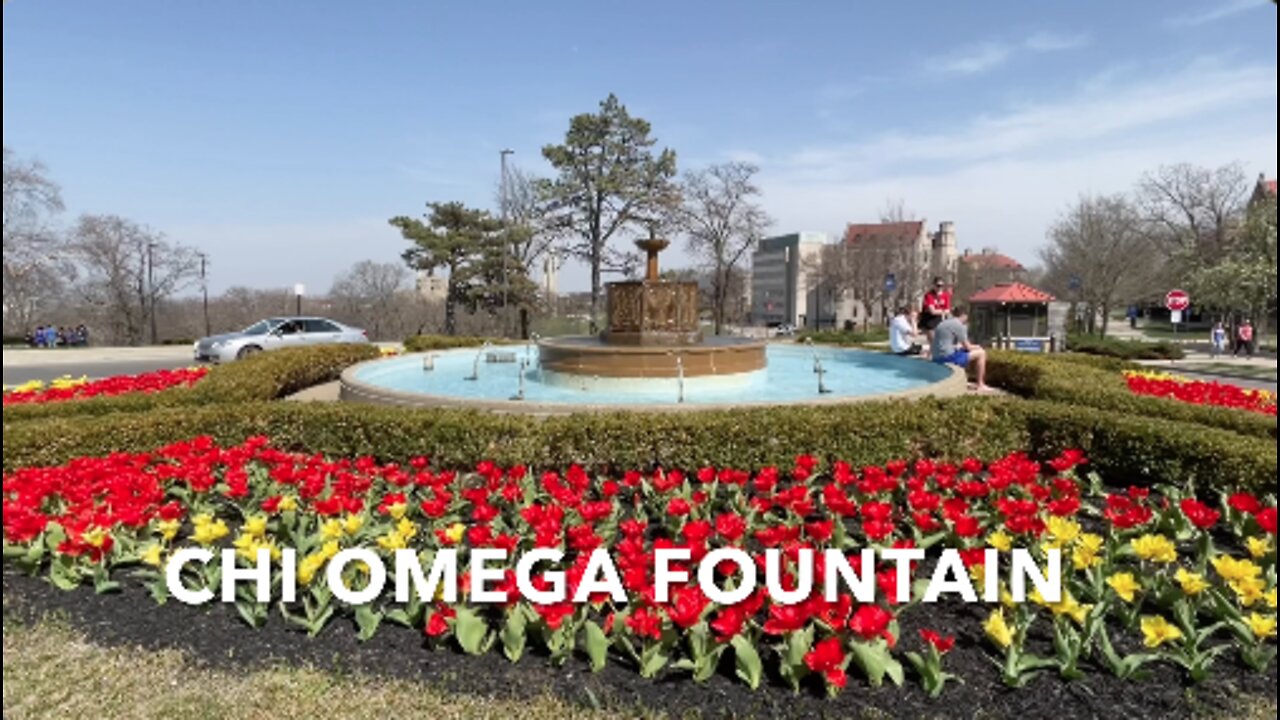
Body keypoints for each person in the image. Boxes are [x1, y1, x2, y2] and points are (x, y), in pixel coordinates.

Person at [930, 306, 990, 391]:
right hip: (947, 358)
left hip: (936, 357)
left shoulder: (942, 323)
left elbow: (942, 343)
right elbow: (968, 347)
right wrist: (979, 346)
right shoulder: (958, 324)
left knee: (963, 352)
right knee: (981, 353)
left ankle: (964, 380)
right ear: (964, 315)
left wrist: (958, 347)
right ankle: (980, 384)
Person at [919, 277, 951, 341]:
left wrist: (940, 311)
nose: (940, 288)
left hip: (941, 319)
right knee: (933, 342)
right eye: (938, 286)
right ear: (934, 285)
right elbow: (932, 311)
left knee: (941, 340)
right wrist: (942, 310)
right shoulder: (929, 295)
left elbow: (948, 310)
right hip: (930, 320)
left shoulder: (946, 295)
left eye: (942, 286)